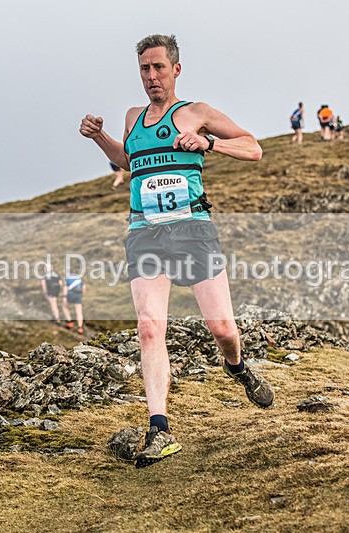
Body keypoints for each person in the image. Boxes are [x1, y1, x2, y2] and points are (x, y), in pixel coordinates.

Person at [79, 34, 273, 468]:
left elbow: (253, 147)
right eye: (144, 69)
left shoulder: (197, 113)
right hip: (144, 232)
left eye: (158, 68)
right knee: (150, 328)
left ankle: (238, 367)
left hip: (192, 230)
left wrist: (209, 144)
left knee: (222, 328)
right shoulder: (133, 117)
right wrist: (100, 138)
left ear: (176, 70)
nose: (151, 76)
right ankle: (160, 429)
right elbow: (132, 162)